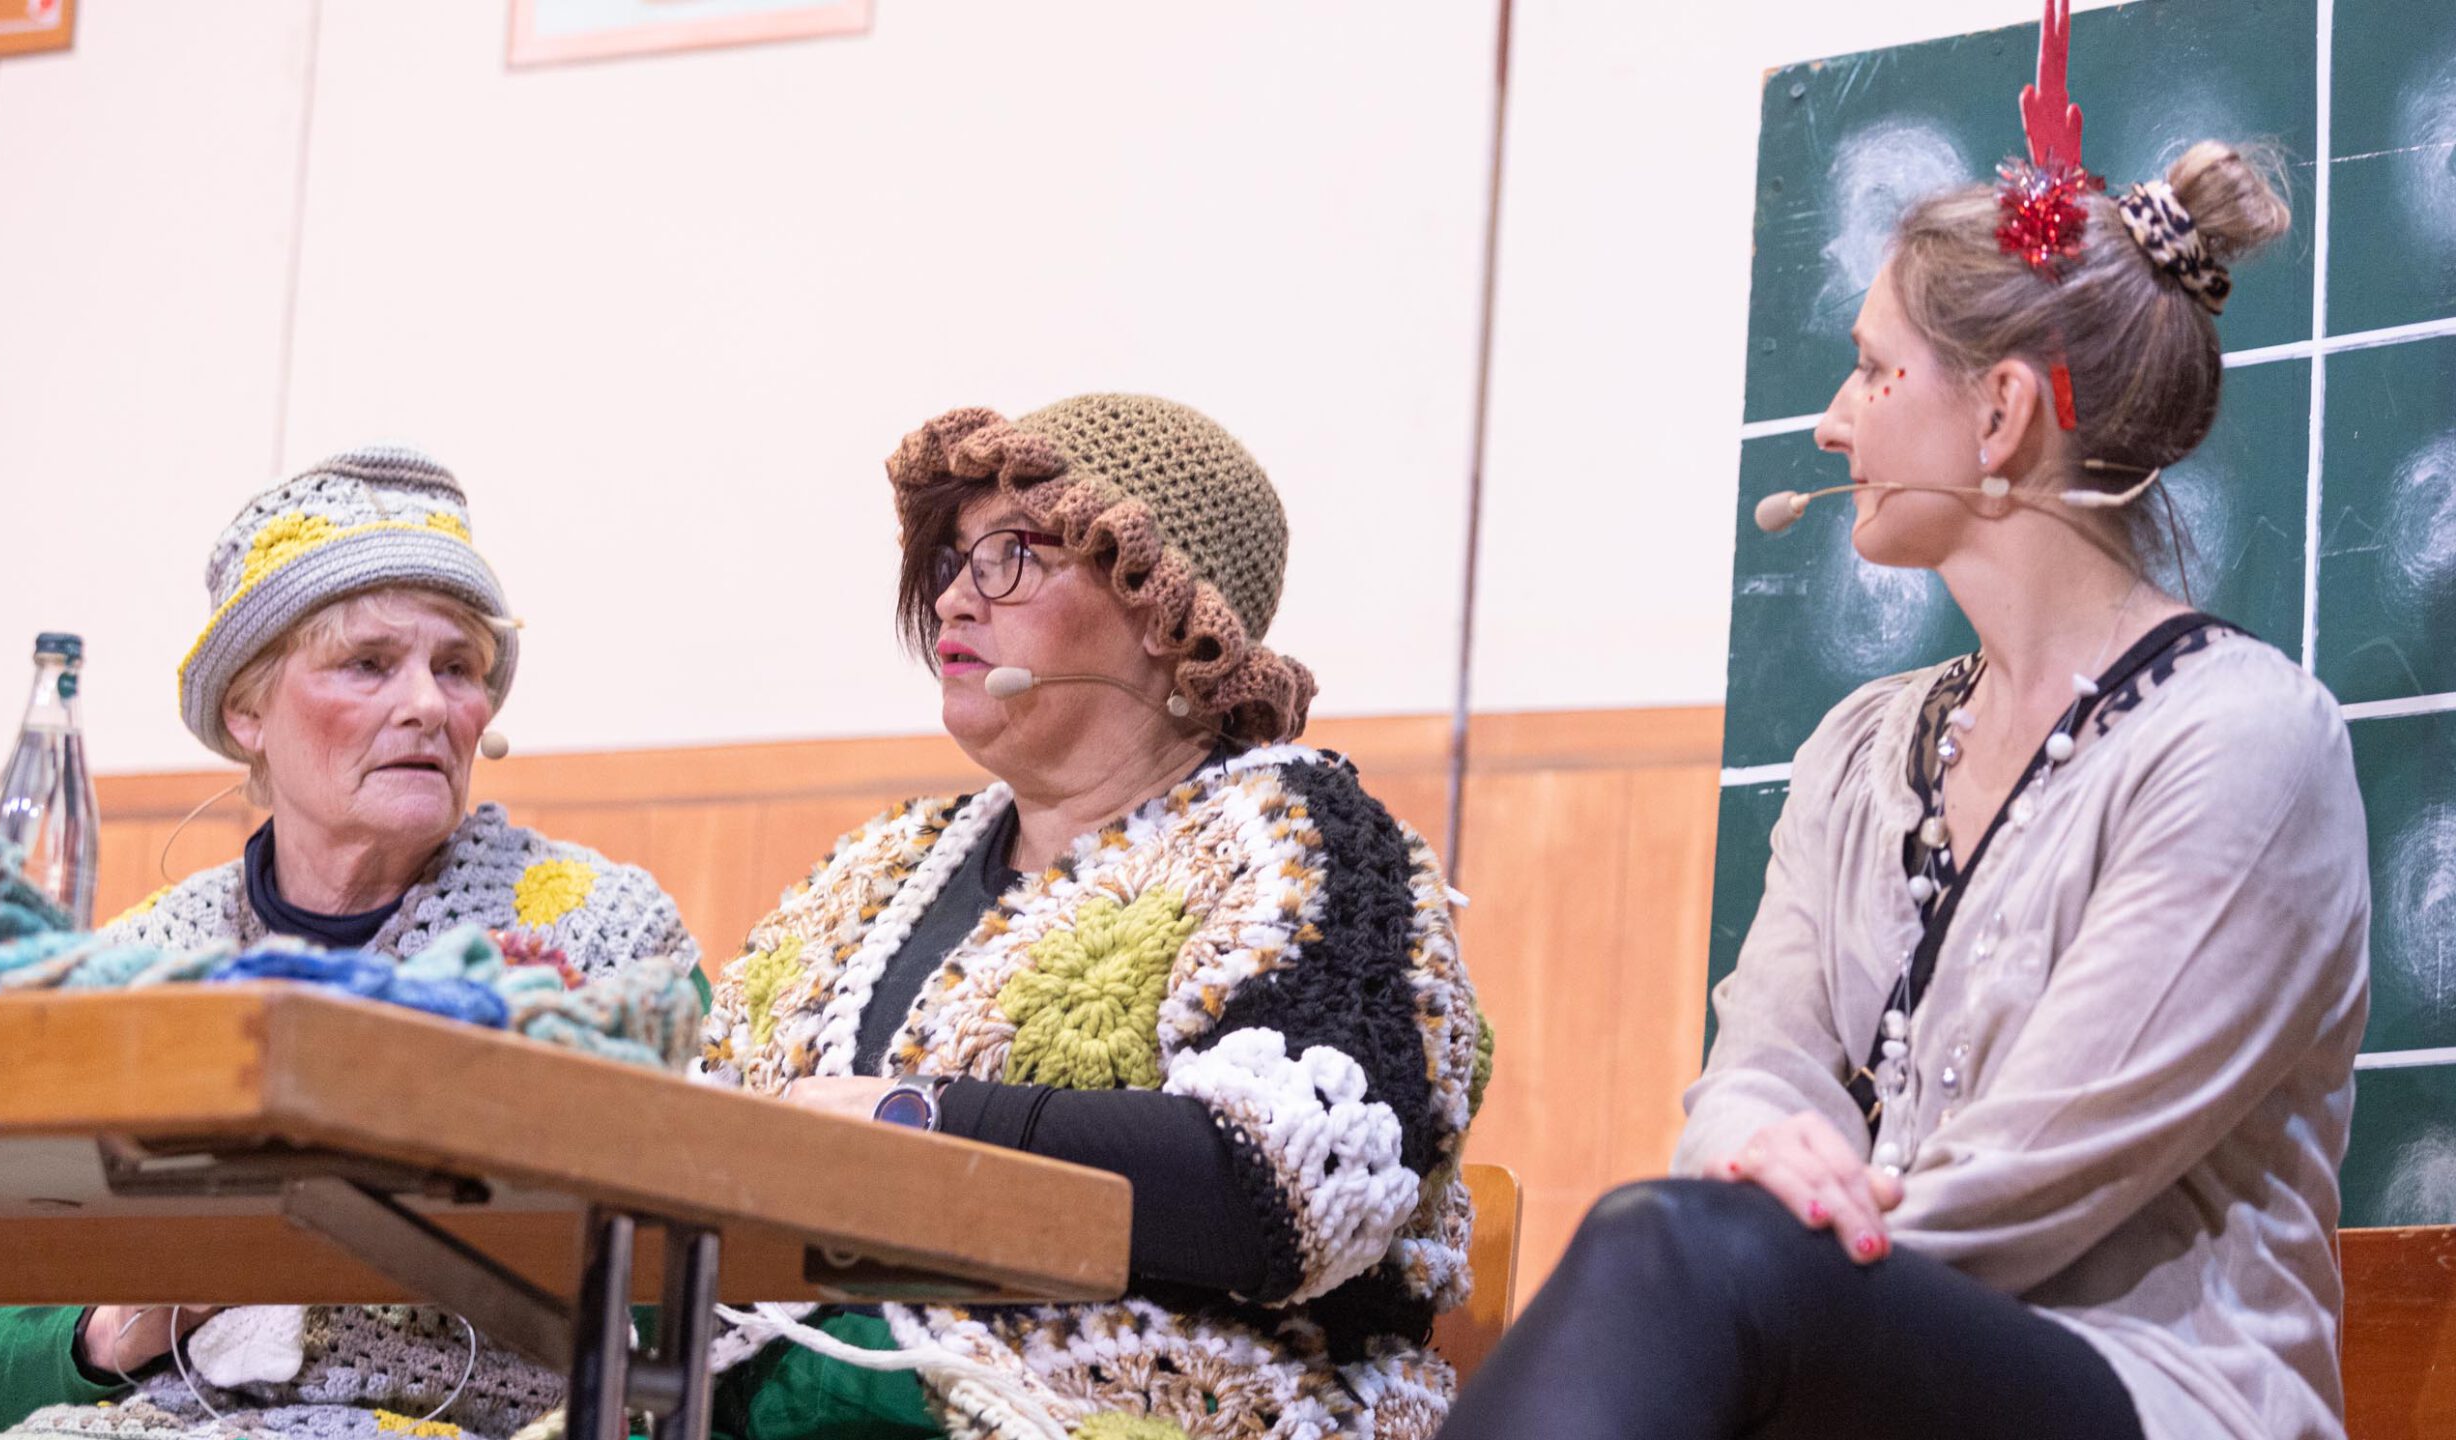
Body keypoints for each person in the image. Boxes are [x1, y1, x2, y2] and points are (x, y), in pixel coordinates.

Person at [1438, 120, 2371, 1440]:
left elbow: (2035, 1179)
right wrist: (1754, 1165)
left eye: (1875, 371)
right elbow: (1757, 1070)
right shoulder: (1858, 749)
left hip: (2160, 1399)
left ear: (2000, 414)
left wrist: (1766, 1250)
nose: (1833, 423)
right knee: (1689, 1248)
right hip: (1860, 1356)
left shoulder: (2244, 742)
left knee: (1675, 1250)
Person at [692, 394, 1486, 1439]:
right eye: (951, 561)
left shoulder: (1305, 840)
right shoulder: (876, 867)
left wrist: (917, 1124)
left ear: (1167, 613)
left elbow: (1296, 1178)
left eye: (1010, 556)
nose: (952, 601)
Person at [0, 446, 700, 1440]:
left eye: (456, 668)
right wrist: (117, 1330)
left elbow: (704, 1318)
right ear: (246, 712)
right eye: (368, 664)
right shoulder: (141, 970)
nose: (429, 705)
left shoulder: (607, 946)